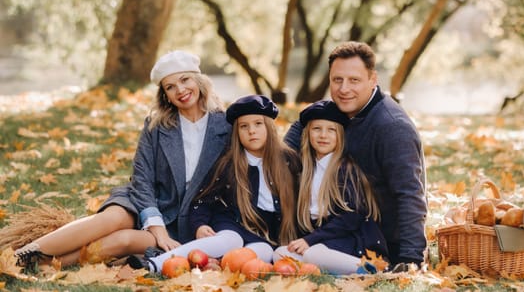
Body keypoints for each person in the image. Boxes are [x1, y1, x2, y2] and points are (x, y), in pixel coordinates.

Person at [14, 50, 232, 267]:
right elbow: (142, 179)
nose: (181, 90)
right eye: (170, 87)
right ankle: (23, 254)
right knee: (111, 219)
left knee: (123, 240)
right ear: (164, 94)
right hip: (142, 201)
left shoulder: (226, 126)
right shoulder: (156, 126)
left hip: (185, 223)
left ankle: (40, 264)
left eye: (185, 80)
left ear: (199, 80)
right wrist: (157, 229)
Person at [284, 41, 427, 267]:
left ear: (373, 80)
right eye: (337, 80)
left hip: (376, 239)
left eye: (354, 80)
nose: (343, 89)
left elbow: (409, 194)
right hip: (330, 231)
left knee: (310, 257)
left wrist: (410, 258)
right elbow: (294, 137)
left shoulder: (391, 126)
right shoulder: (339, 111)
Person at [130, 95, 301, 273]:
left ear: (270, 127)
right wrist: (200, 225)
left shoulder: (290, 161)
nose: (251, 131)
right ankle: (157, 263)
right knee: (231, 240)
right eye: (244, 126)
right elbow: (203, 200)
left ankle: (213, 264)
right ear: (236, 132)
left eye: (258, 124)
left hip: (266, 237)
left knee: (264, 253)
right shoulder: (230, 164)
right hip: (231, 224)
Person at [274, 100, 388, 275]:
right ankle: (335, 272)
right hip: (325, 239)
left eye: (331, 130)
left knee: (313, 253)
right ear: (307, 134)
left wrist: (310, 240)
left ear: (341, 135)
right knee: (281, 254)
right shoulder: (305, 170)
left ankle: (376, 271)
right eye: (317, 129)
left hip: (353, 239)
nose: (323, 135)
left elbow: (351, 218)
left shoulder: (345, 169)